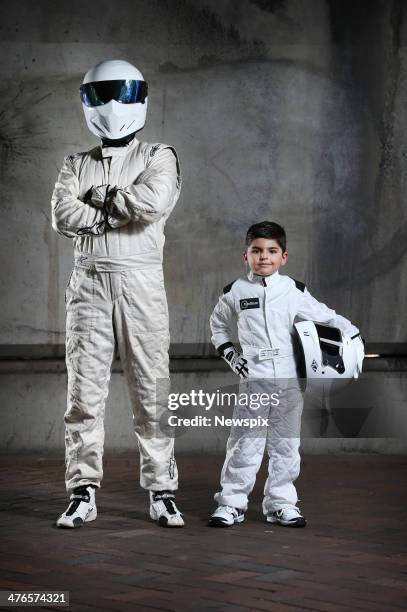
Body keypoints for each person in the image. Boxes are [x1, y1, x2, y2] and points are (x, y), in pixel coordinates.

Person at [52, 59, 184, 528]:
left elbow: (153, 202)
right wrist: (117, 208)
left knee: (151, 390)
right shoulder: (75, 163)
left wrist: (100, 200)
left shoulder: (157, 156)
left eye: (121, 92)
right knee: (83, 393)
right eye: (101, 93)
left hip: (140, 283)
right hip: (89, 283)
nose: (112, 103)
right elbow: (63, 216)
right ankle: (82, 489)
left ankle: (162, 489)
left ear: (140, 97)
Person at [208, 221, 364, 527]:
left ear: (284, 257)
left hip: (289, 380)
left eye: (271, 251)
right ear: (246, 256)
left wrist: (352, 333)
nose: (264, 257)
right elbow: (217, 326)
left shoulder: (293, 291)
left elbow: (326, 316)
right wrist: (231, 355)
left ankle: (281, 503)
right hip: (254, 379)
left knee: (286, 444)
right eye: (256, 250)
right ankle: (231, 504)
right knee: (245, 442)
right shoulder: (235, 292)